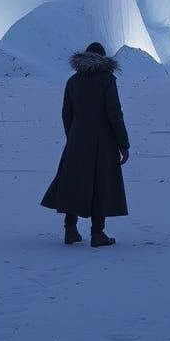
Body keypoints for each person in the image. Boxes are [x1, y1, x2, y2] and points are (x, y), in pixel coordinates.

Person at [40, 41, 130, 248]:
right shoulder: (108, 80)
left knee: (73, 182)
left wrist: (73, 137)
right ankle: (98, 234)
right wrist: (123, 144)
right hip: (103, 142)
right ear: (103, 58)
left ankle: (70, 230)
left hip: (77, 140)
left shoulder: (73, 81)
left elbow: (66, 113)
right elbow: (114, 114)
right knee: (101, 184)